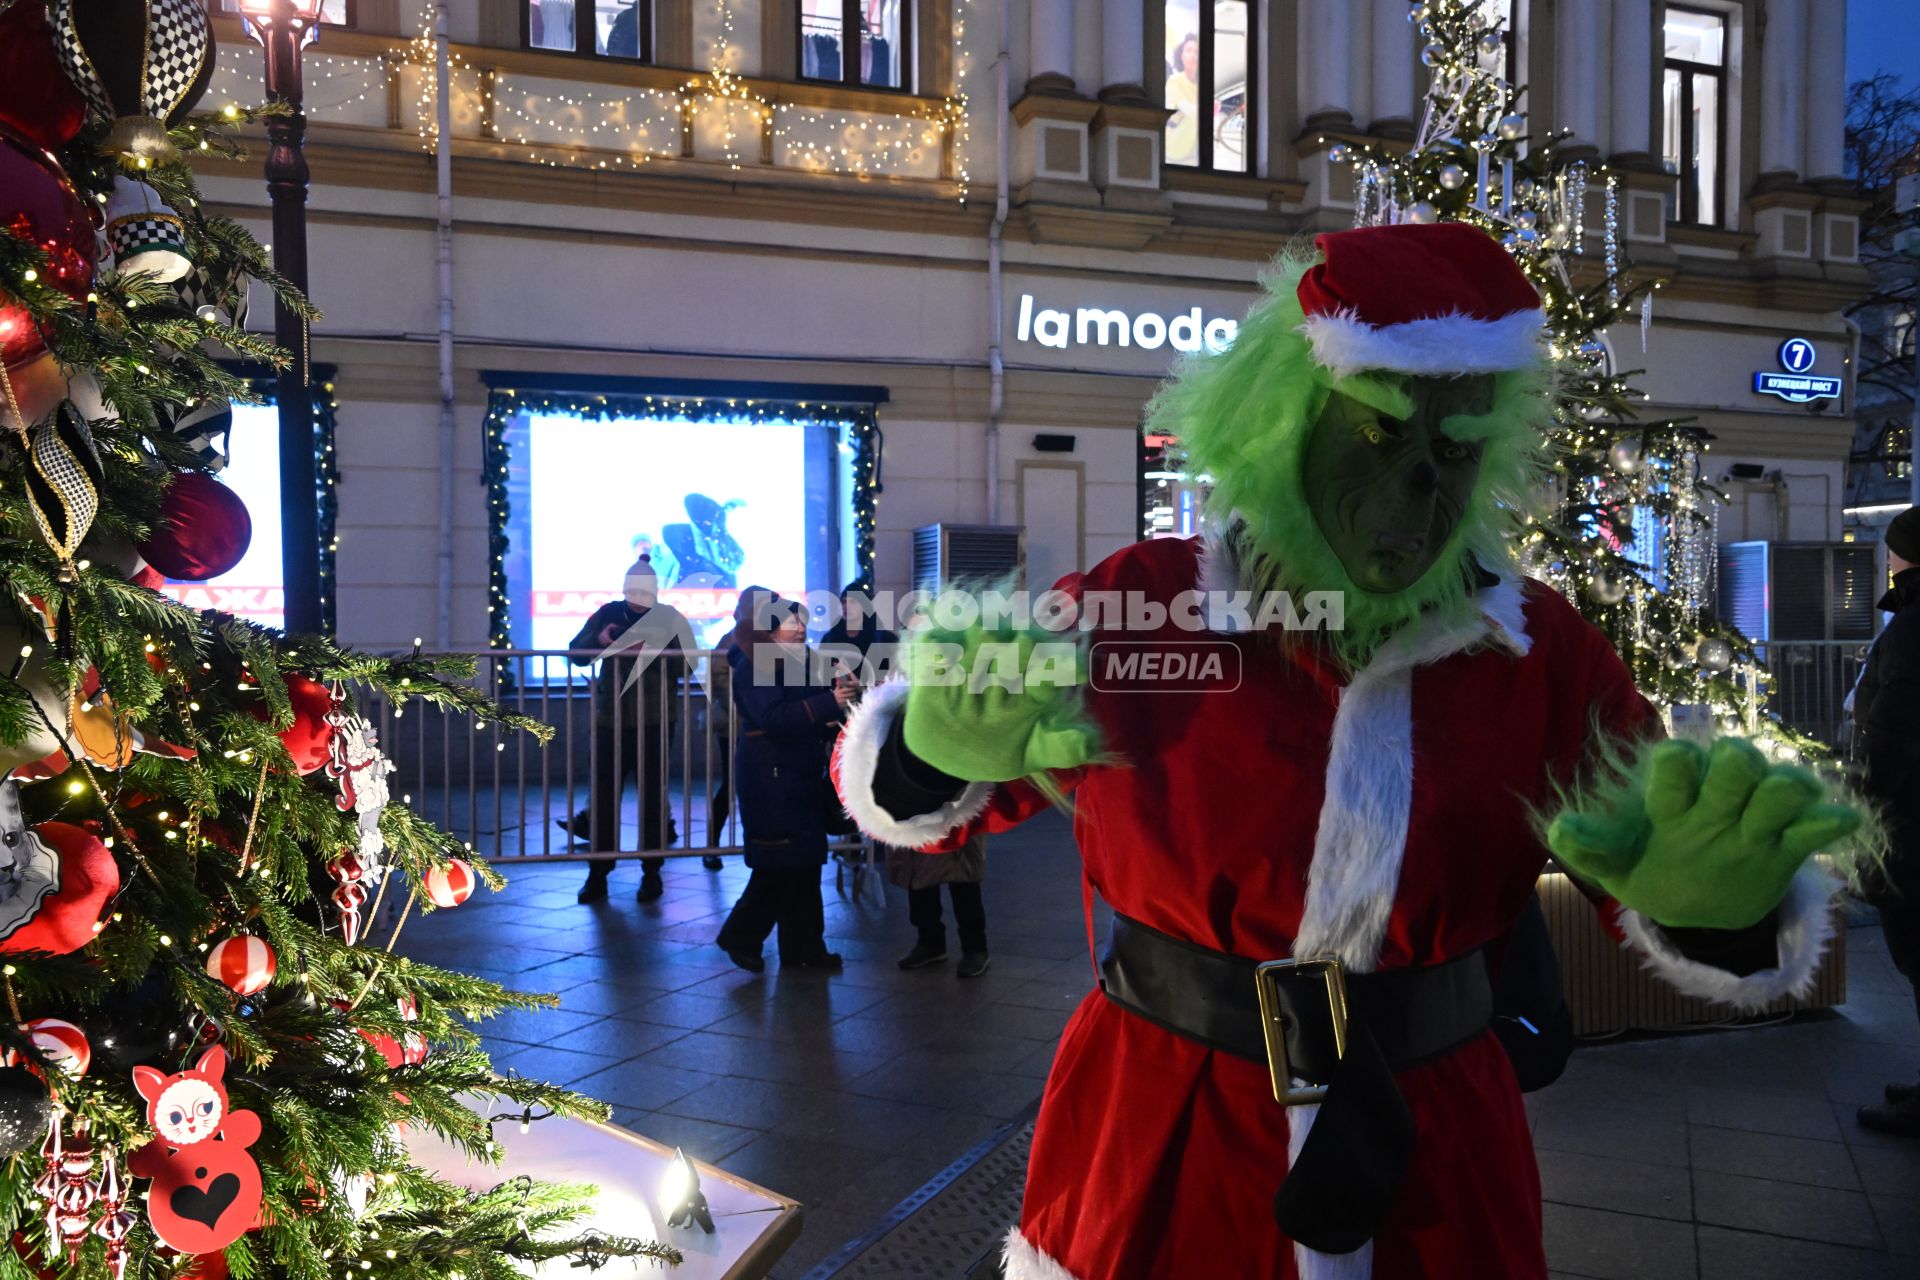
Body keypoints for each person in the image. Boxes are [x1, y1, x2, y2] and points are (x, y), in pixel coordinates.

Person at [833, 224, 1865, 1280]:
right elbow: (923, 799)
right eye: (1377, 434)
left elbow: (1658, 864)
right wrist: (927, 745)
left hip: (1438, 1138)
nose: (1422, 488)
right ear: (1282, 424)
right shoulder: (1140, 605)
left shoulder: (1541, 652)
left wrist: (1722, 907)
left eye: (1456, 450)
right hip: (1168, 1117)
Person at [715, 593, 855, 972]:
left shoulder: (790, 664)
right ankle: (741, 935)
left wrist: (836, 704)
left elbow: (803, 712)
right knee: (780, 865)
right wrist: (829, 703)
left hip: (792, 774)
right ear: (771, 628)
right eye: (792, 623)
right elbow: (773, 716)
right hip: (772, 777)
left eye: (802, 623)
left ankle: (804, 951)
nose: (800, 630)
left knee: (805, 864)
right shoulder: (754, 664)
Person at [561, 555, 691, 905]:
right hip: (611, 720)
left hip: (655, 719)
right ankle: (598, 874)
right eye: (632, 589)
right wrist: (601, 641)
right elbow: (575, 653)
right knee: (604, 797)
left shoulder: (670, 620)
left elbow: (687, 665)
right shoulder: (607, 614)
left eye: (644, 590)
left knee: (652, 797)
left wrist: (651, 650)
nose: (637, 596)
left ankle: (651, 874)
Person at [1855, 506, 1920, 1137]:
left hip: (1911, 824)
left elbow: (1894, 729)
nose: (1889, 561)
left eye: (1895, 551)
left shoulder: (1911, 628)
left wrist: (1863, 798)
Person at [889, 832, 990, 977]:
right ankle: (930, 943)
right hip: (915, 817)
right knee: (919, 871)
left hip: (955, 816)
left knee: (962, 872)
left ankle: (975, 947)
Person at [1163, 34, 1200, 167]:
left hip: (1195, 152)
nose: (1192, 56)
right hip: (1176, 145)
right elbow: (1189, 110)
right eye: (1188, 51)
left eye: (1197, 52)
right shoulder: (1174, 81)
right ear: (1181, 55)